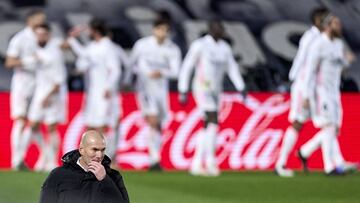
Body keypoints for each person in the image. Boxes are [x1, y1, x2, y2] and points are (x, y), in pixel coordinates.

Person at [178, 20, 246, 176]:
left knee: (208, 124)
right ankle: (210, 161)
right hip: (202, 87)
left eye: (221, 29)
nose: (219, 31)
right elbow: (187, 66)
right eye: (216, 28)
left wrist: (240, 86)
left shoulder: (224, 48)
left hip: (216, 89)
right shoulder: (200, 45)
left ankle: (197, 162)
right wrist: (183, 88)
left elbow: (232, 68)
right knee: (213, 119)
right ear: (210, 29)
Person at [298, 15, 356, 175]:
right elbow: (309, 71)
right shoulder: (318, 45)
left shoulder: (338, 44)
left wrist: (347, 60)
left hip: (334, 91)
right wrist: (306, 96)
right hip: (321, 91)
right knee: (329, 126)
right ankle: (330, 166)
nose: (340, 26)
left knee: (333, 129)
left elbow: (340, 63)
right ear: (327, 26)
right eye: (336, 23)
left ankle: (305, 152)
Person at [275, 7, 329, 177]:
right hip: (304, 86)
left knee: (330, 125)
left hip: (317, 89)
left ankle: (305, 152)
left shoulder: (324, 38)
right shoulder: (310, 37)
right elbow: (300, 58)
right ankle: (281, 164)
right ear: (318, 20)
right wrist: (293, 80)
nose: (329, 20)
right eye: (326, 18)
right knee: (298, 123)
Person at [129, 19, 181, 171]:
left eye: (165, 30)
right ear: (154, 29)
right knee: (152, 121)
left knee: (159, 124)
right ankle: (154, 158)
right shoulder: (142, 45)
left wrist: (162, 72)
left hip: (161, 90)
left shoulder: (172, 49)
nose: (162, 33)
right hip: (145, 89)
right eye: (159, 29)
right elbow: (132, 64)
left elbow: (176, 71)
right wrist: (128, 81)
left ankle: (155, 157)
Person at [21, 23, 67, 172]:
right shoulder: (37, 51)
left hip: (52, 95)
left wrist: (48, 96)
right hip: (39, 94)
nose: (40, 37)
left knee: (51, 128)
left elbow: (59, 80)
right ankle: (36, 156)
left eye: (43, 34)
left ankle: (52, 161)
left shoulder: (54, 54)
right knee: (33, 125)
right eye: (38, 34)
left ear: (48, 35)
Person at [5, 9, 46, 170]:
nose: (43, 21)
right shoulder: (20, 38)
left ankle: (44, 157)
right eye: (40, 18)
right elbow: (9, 62)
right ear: (31, 19)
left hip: (40, 84)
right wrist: (29, 60)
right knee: (21, 121)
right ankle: (17, 160)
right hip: (23, 83)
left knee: (35, 122)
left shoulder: (42, 38)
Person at [39, 130, 129, 203]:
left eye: (103, 150)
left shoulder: (113, 176)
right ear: (81, 150)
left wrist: (105, 180)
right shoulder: (58, 175)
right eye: (95, 149)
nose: (99, 155)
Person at [66, 18, 121, 134]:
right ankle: (89, 152)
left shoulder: (108, 47)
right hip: (93, 92)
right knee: (91, 125)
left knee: (101, 124)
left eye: (89, 30)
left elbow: (116, 70)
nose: (87, 32)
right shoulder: (93, 46)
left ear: (95, 31)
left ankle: (104, 151)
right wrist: (72, 39)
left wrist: (109, 87)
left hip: (104, 92)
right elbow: (83, 54)